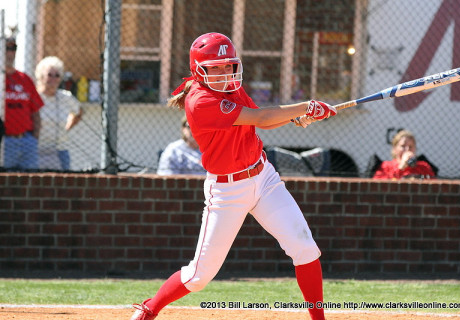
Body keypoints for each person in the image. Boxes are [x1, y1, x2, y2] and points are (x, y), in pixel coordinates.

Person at [130, 32, 337, 320]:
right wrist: (305, 106)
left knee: (305, 248)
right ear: (199, 70)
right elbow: (262, 118)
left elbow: (260, 118)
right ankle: (149, 309)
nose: (225, 72)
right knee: (199, 276)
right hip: (227, 191)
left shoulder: (231, 87)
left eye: (228, 65)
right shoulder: (200, 100)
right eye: (216, 67)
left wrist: (295, 116)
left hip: (263, 178)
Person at [35, 56, 83, 170]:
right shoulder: (34, 96)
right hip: (37, 149)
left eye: (57, 75)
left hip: (60, 149)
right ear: (41, 76)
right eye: (49, 75)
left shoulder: (65, 97)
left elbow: (79, 112)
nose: (53, 79)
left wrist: (67, 128)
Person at [3, 37, 44, 170]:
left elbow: (35, 111)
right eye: (6, 49)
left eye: (13, 49)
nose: (9, 53)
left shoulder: (24, 79)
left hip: (26, 140)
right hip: (4, 141)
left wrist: (34, 139)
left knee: (30, 180)